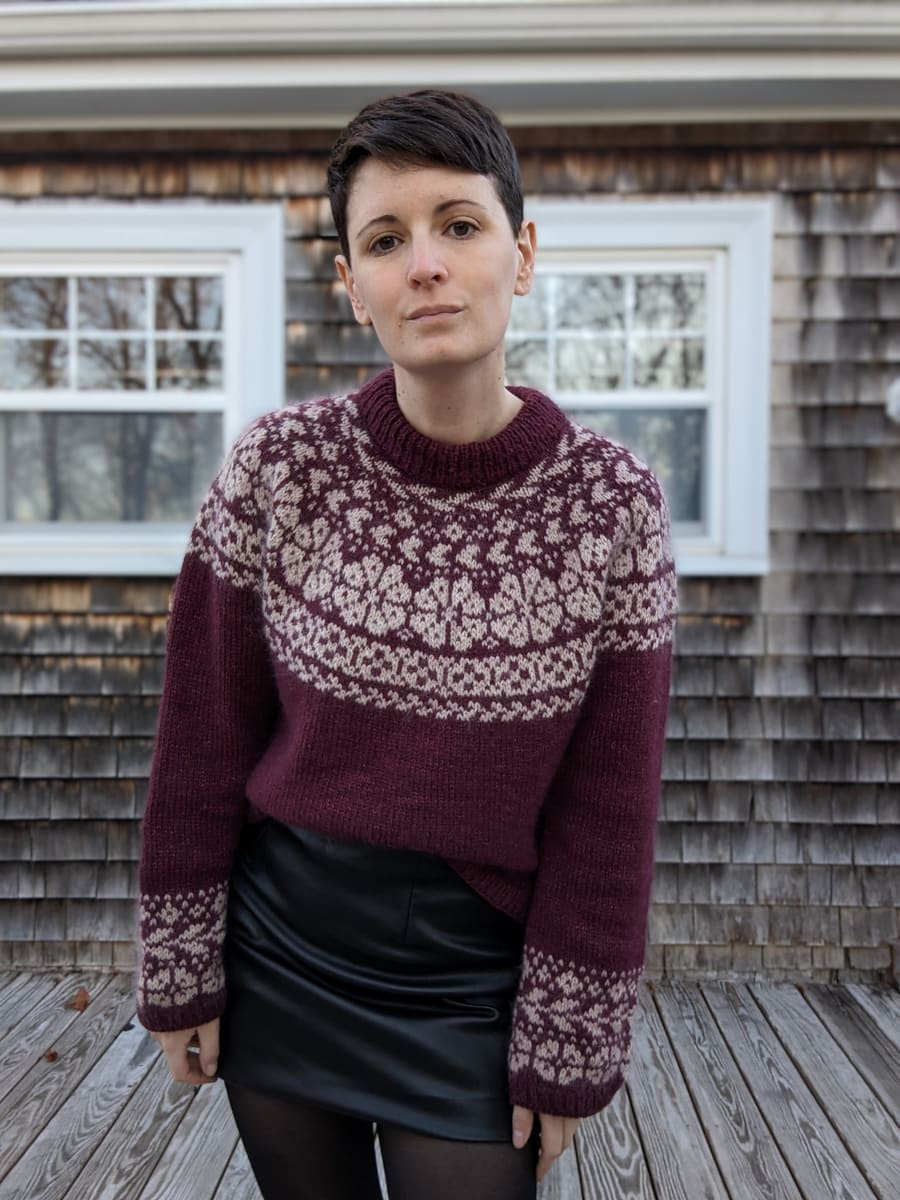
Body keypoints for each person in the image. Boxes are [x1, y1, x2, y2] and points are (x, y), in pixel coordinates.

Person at [135, 89, 677, 1200]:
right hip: (281, 951)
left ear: (522, 255)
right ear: (353, 286)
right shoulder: (279, 470)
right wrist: (181, 961)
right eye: (385, 241)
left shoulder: (612, 506)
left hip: (474, 983)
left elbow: (608, 804)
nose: (424, 264)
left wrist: (572, 1032)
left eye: (459, 225)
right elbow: (201, 737)